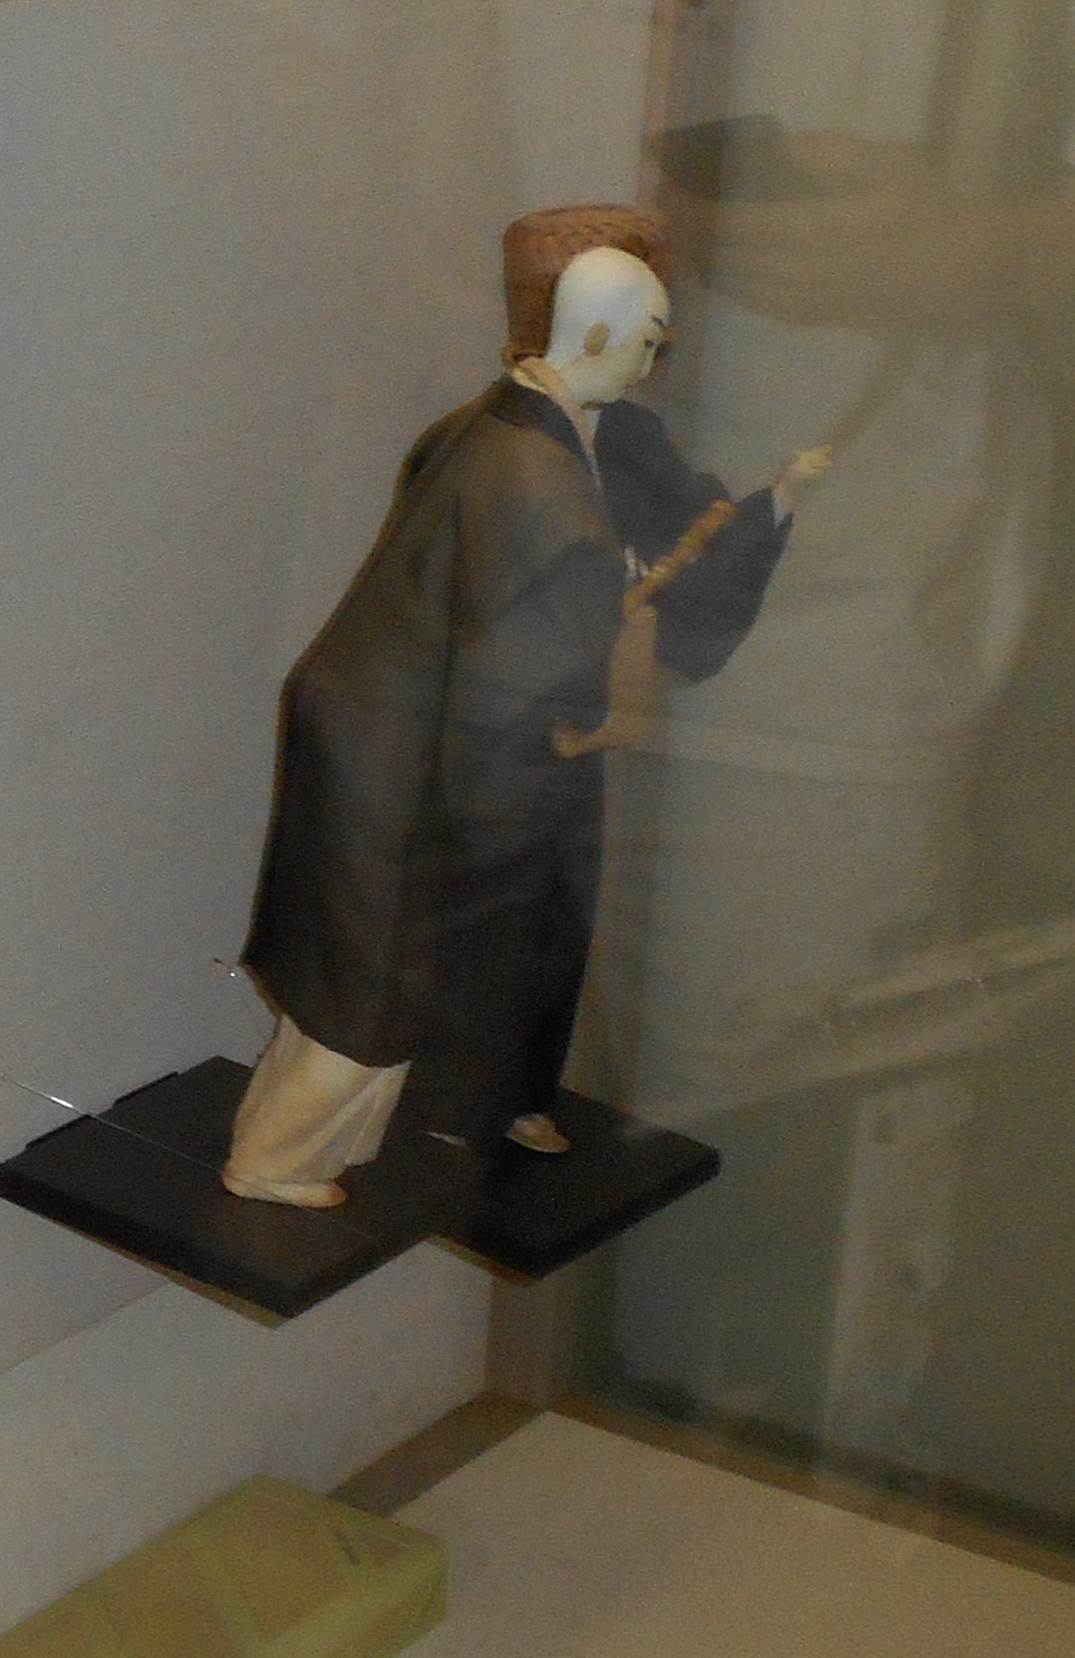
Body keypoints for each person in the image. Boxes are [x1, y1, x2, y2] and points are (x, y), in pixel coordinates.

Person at [229, 215, 816, 1205]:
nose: (651, 366)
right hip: (410, 755)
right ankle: (274, 1163)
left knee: (370, 971)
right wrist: (585, 724)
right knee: (374, 983)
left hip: (396, 729)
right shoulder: (541, 486)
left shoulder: (499, 428)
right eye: (646, 344)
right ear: (597, 335)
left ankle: (325, 1145)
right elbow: (526, 680)